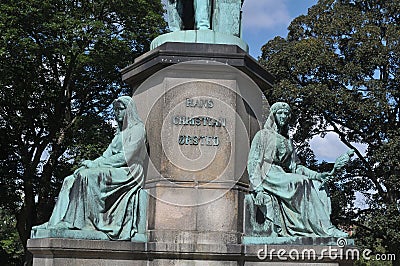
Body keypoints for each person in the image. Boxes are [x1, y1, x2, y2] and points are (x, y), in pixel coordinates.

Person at [33, 96, 147, 240]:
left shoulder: (138, 129)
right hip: (114, 168)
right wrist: (90, 163)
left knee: (86, 176)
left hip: (129, 172)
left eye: (120, 109)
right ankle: (56, 221)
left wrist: (95, 165)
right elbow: (106, 156)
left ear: (129, 111)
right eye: (115, 110)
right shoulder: (119, 134)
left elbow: (126, 157)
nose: (117, 113)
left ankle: (78, 223)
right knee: (70, 179)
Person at [247, 102, 352, 237]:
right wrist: (258, 188)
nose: (283, 116)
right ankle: (326, 229)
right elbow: (253, 161)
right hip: (267, 174)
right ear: (273, 116)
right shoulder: (263, 135)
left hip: (281, 174)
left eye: (286, 114)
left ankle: (315, 228)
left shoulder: (287, 141)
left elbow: (296, 167)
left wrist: (318, 176)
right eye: (280, 113)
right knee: (301, 182)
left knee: (316, 184)